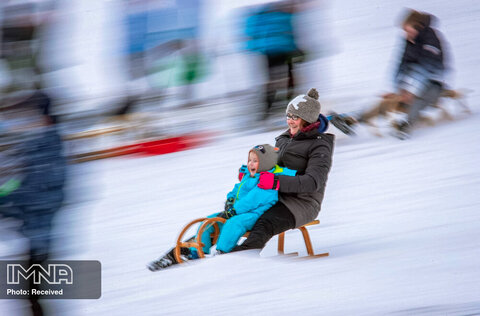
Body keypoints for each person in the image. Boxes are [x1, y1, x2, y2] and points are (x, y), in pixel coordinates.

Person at [148, 144, 296, 271]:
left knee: (233, 224)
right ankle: (198, 250)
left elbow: (251, 201)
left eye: (255, 161)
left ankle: (222, 252)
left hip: (254, 214)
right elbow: (236, 190)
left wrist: (233, 211)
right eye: (249, 160)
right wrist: (230, 200)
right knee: (210, 220)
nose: (251, 164)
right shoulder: (248, 177)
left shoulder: (268, 182)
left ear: (265, 163)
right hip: (235, 211)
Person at [231, 88, 335, 252]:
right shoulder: (284, 138)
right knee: (235, 214)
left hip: (302, 203)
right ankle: (191, 249)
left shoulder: (320, 145)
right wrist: (253, 172)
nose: (290, 121)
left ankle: (241, 257)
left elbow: (313, 182)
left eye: (295, 117)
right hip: (275, 196)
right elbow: (273, 167)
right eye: (288, 116)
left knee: (263, 223)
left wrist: (275, 182)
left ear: (307, 120)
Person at [330, 9, 447, 139]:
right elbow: (400, 66)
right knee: (385, 102)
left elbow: (430, 68)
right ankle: (351, 121)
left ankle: (406, 126)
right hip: (412, 85)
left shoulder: (431, 40)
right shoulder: (409, 41)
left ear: (418, 27)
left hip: (433, 86)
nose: (405, 34)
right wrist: (398, 88)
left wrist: (411, 90)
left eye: (408, 30)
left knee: (417, 100)